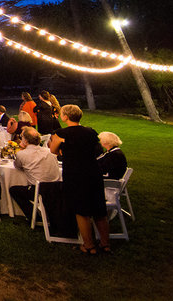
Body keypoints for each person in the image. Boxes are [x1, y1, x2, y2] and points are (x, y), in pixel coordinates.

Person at [49, 104, 111, 254]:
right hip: (93, 171)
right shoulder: (90, 132)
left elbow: (53, 150)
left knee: (81, 210)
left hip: (75, 173)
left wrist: (65, 151)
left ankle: (89, 245)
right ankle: (105, 244)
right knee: (99, 209)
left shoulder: (61, 133)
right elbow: (98, 149)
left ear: (65, 117)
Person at [8, 127, 61, 219]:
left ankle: (33, 216)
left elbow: (17, 166)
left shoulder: (22, 154)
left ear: (25, 140)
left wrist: (21, 148)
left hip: (40, 190)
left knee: (14, 190)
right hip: (57, 188)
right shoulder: (49, 151)